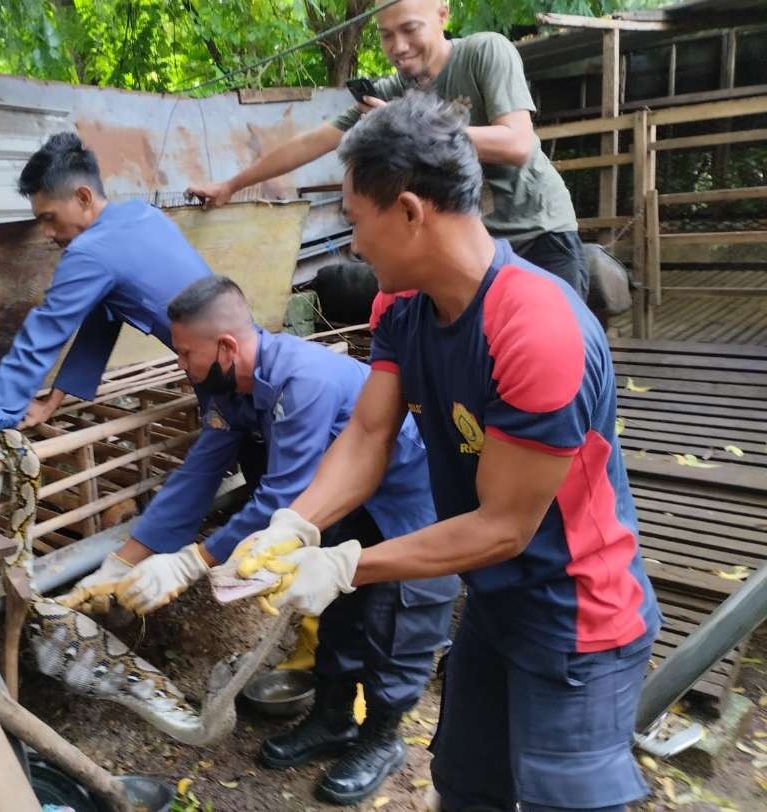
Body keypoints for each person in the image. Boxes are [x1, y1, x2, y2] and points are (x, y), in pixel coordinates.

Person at [218, 93, 661, 812]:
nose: (354, 244)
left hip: (577, 619)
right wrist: (296, 524)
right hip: (493, 605)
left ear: (411, 212)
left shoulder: (537, 329)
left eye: (356, 221)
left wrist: (346, 564)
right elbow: (368, 435)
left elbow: (502, 527)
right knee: (466, 788)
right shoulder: (402, 306)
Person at [60, 276, 458, 806]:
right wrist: (120, 562)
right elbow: (198, 474)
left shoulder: (301, 378)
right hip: (338, 505)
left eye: (185, 353)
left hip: (402, 503)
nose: (182, 365)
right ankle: (332, 719)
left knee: (396, 623)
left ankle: (382, 740)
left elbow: (281, 495)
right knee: (337, 611)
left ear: (226, 346)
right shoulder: (231, 389)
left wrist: (192, 563)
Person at [186, 0, 588, 299]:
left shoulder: (485, 52)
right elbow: (313, 142)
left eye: (410, 29)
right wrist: (231, 185)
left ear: (442, 14)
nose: (398, 46)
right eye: (386, 34)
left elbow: (517, 143)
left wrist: (412, 123)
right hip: (478, 249)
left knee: (566, 354)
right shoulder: (395, 90)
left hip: (540, 232)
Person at [0, 133, 212, 512]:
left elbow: (40, 338)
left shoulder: (91, 251)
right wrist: (52, 402)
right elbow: (104, 321)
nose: (47, 233)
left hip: (229, 379)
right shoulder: (140, 215)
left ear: (84, 197)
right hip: (231, 359)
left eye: (49, 219)